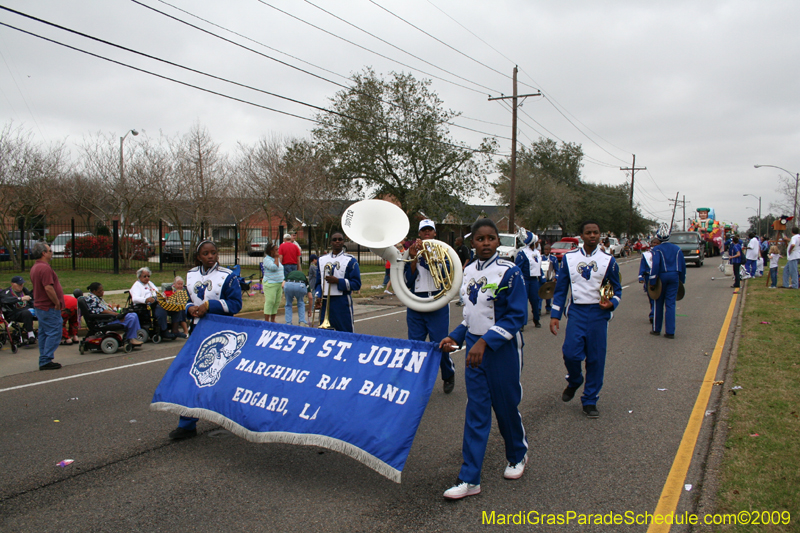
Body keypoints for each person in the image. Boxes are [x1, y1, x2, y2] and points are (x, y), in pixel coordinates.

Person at [439, 218, 528, 499]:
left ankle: (517, 455)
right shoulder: (466, 272)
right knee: (476, 412)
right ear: (472, 242)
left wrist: (485, 342)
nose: (486, 243)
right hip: (476, 353)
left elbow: (516, 317)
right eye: (480, 239)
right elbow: (470, 316)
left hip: (502, 352)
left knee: (505, 408)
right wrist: (455, 336)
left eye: (491, 238)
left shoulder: (510, 272)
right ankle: (470, 478)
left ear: (498, 242)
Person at [170, 240, 242, 440]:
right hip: (198, 332)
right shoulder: (191, 275)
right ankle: (186, 423)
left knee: (226, 378)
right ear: (199, 256)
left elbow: (236, 304)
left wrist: (211, 305)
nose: (210, 256)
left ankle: (235, 416)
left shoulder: (228, 276)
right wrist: (189, 309)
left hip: (222, 333)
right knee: (192, 376)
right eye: (205, 253)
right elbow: (184, 299)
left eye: (213, 253)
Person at [550, 221, 622, 419]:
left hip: (598, 314)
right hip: (577, 312)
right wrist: (555, 315)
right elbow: (561, 289)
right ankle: (574, 380)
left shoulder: (609, 260)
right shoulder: (569, 259)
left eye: (596, 232)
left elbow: (617, 289)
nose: (592, 236)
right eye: (588, 233)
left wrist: (612, 302)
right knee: (570, 354)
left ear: (600, 235)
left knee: (596, 359)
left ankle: (590, 400)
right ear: (581, 235)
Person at [404, 220, 456, 394]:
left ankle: (448, 374)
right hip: (416, 303)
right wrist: (412, 260)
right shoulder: (412, 252)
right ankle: (417, 382)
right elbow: (407, 281)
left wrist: (426, 258)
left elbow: (445, 275)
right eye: (423, 230)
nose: (426, 233)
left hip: (437, 303)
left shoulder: (444, 251)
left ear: (435, 233)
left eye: (429, 230)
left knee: (440, 344)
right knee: (416, 346)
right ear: (419, 233)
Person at [315, 232, 361, 333]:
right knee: (324, 333)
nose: (337, 242)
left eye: (340, 239)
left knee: (346, 332)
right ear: (331, 242)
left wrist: (338, 281)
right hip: (325, 301)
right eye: (334, 239)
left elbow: (356, 284)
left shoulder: (350, 260)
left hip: (342, 301)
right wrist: (318, 295)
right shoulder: (322, 260)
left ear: (343, 242)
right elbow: (318, 282)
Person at [29, 242, 64, 370]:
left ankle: (44, 358)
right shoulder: (44, 268)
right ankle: (46, 359)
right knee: (54, 331)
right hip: (48, 306)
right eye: (50, 250)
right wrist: (56, 302)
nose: (51, 252)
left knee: (44, 332)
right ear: (43, 253)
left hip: (40, 306)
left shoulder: (35, 267)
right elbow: (48, 288)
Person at [649, 226, 686, 339]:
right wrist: (681, 280)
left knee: (658, 303)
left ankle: (656, 329)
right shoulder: (677, 249)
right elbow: (682, 266)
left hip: (661, 276)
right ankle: (670, 331)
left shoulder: (657, 249)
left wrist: (652, 280)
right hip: (674, 276)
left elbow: (655, 265)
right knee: (670, 304)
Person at [129, 267, 176, 340]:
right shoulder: (136, 286)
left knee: (176, 307)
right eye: (144, 276)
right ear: (139, 277)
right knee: (161, 308)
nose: (147, 278)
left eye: (148, 276)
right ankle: (164, 330)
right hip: (146, 305)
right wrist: (146, 300)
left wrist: (163, 297)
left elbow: (157, 292)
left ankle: (175, 329)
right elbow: (134, 299)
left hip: (156, 301)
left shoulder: (150, 284)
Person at [0, 275, 38, 347]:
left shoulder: (25, 290)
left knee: (42, 311)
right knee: (27, 313)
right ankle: (31, 335)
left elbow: (32, 300)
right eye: (19, 284)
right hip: (15, 313)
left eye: (22, 284)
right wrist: (20, 299)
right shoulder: (7, 292)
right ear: (13, 284)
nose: (21, 286)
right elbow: (4, 300)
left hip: (28, 310)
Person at [515, 230, 542, 328]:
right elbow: (517, 268)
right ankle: (522, 323)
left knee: (535, 300)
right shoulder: (523, 253)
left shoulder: (537, 253)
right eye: (537, 242)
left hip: (534, 280)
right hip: (525, 280)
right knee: (523, 302)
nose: (538, 244)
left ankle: (536, 319)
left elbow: (539, 267)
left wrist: (542, 278)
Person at [638, 237, 660, 324]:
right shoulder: (646, 255)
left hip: (659, 278)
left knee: (657, 296)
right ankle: (653, 312)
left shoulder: (661, 253)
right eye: (653, 243)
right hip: (648, 277)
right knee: (651, 296)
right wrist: (640, 276)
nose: (655, 244)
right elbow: (642, 266)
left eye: (657, 243)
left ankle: (654, 314)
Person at [262, 241, 284, 322]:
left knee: (276, 302)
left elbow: (280, 269)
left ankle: (273, 319)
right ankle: (267, 320)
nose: (278, 251)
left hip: (279, 284)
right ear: (271, 251)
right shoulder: (267, 260)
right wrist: (276, 258)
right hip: (270, 284)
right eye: (276, 250)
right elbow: (274, 268)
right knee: (270, 301)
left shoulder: (276, 259)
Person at [540, 242, 559, 315]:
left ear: (550, 250)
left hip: (550, 279)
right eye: (545, 249)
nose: (546, 251)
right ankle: (538, 309)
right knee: (540, 294)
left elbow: (557, 270)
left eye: (547, 249)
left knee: (548, 295)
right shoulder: (540, 258)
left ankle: (548, 307)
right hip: (541, 279)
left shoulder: (553, 259)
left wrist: (556, 277)